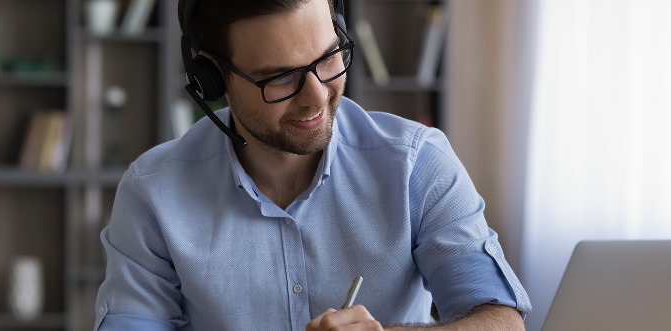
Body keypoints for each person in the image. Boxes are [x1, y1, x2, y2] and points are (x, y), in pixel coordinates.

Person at [94, 0, 532, 329]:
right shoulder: (153, 193)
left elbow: (500, 319)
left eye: (328, 57)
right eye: (280, 76)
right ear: (211, 77)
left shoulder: (416, 164)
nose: (318, 96)